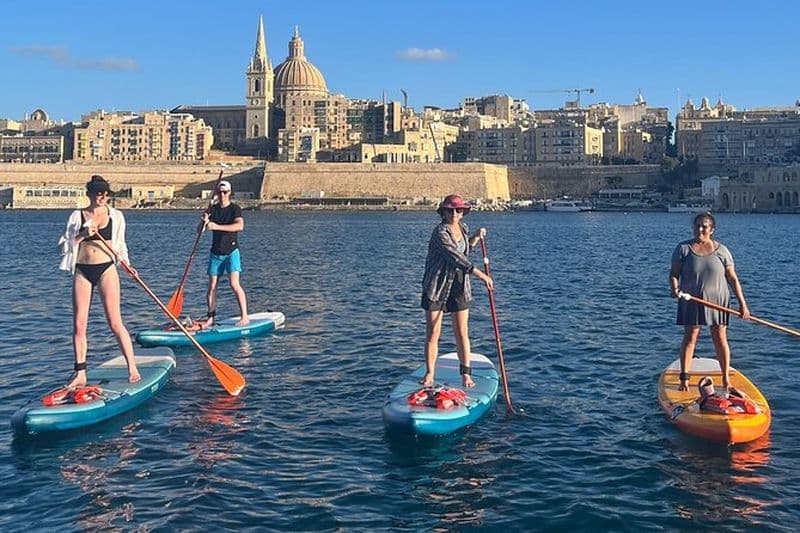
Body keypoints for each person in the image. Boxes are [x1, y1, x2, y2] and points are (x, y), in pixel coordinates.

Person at [58, 175, 140, 388]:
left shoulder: (116, 216)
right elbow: (65, 246)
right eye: (98, 193)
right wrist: (83, 235)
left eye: (105, 193)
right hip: (82, 271)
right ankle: (80, 373)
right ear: (90, 194)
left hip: (106, 270)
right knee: (79, 324)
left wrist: (128, 266)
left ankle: (132, 367)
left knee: (114, 322)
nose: (103, 197)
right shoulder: (77, 216)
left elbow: (120, 246)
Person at [669, 212, 750, 392]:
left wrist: (743, 305)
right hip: (692, 300)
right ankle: (684, 379)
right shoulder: (683, 249)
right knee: (691, 337)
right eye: (697, 225)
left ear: (711, 230)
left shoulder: (722, 251)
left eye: (704, 226)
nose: (700, 229)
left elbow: (733, 279)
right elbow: (674, 274)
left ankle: (726, 380)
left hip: (718, 301)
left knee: (720, 338)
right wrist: (674, 289)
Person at [420, 194, 494, 388]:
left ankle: (465, 375)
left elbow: (464, 250)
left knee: (462, 332)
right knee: (433, 332)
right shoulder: (440, 232)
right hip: (436, 286)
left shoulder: (463, 228)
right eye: (450, 210)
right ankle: (430, 373)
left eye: (458, 210)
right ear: (443, 212)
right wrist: (481, 275)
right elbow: (455, 257)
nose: (454, 213)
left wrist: (475, 238)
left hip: (459, 286)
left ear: (463, 213)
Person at [198, 180, 249, 328]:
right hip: (215, 252)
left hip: (231, 251)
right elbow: (199, 231)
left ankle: (244, 316)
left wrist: (217, 226)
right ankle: (211, 318)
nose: (222, 195)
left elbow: (240, 226)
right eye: (220, 192)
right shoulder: (212, 209)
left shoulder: (235, 209)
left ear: (230, 193)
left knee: (234, 284)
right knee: (212, 286)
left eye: (225, 192)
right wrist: (203, 222)